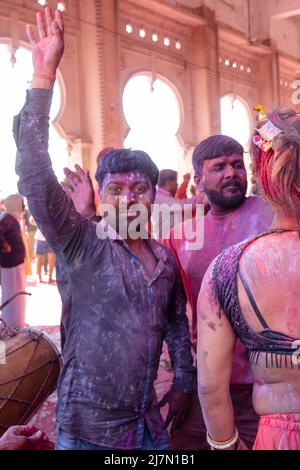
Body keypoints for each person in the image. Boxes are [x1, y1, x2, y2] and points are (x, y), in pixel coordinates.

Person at [15, 7, 194, 451]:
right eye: (116, 188)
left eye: (140, 188)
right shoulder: (83, 244)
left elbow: (175, 322)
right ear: (100, 194)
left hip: (147, 423)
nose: (130, 197)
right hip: (87, 430)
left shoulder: (164, 258)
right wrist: (43, 76)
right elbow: (35, 175)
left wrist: (185, 381)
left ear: (155, 195)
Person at [162, 135, 274, 449]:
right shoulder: (181, 238)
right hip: (210, 382)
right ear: (198, 180)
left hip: (270, 384)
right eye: (219, 167)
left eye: (237, 165)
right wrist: (183, 381)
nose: (231, 172)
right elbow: (173, 316)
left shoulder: (273, 215)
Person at [197, 109, 300, 450]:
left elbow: (210, 387)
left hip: (278, 436)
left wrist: (226, 444)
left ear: (260, 174)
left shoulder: (227, 269)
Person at [0, 194, 26, 328]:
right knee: (12, 295)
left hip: (14, 263)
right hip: (11, 264)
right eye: (21, 203)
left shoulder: (10, 218)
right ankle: (12, 324)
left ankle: (15, 322)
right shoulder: (7, 219)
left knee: (16, 294)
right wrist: (4, 245)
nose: (23, 206)